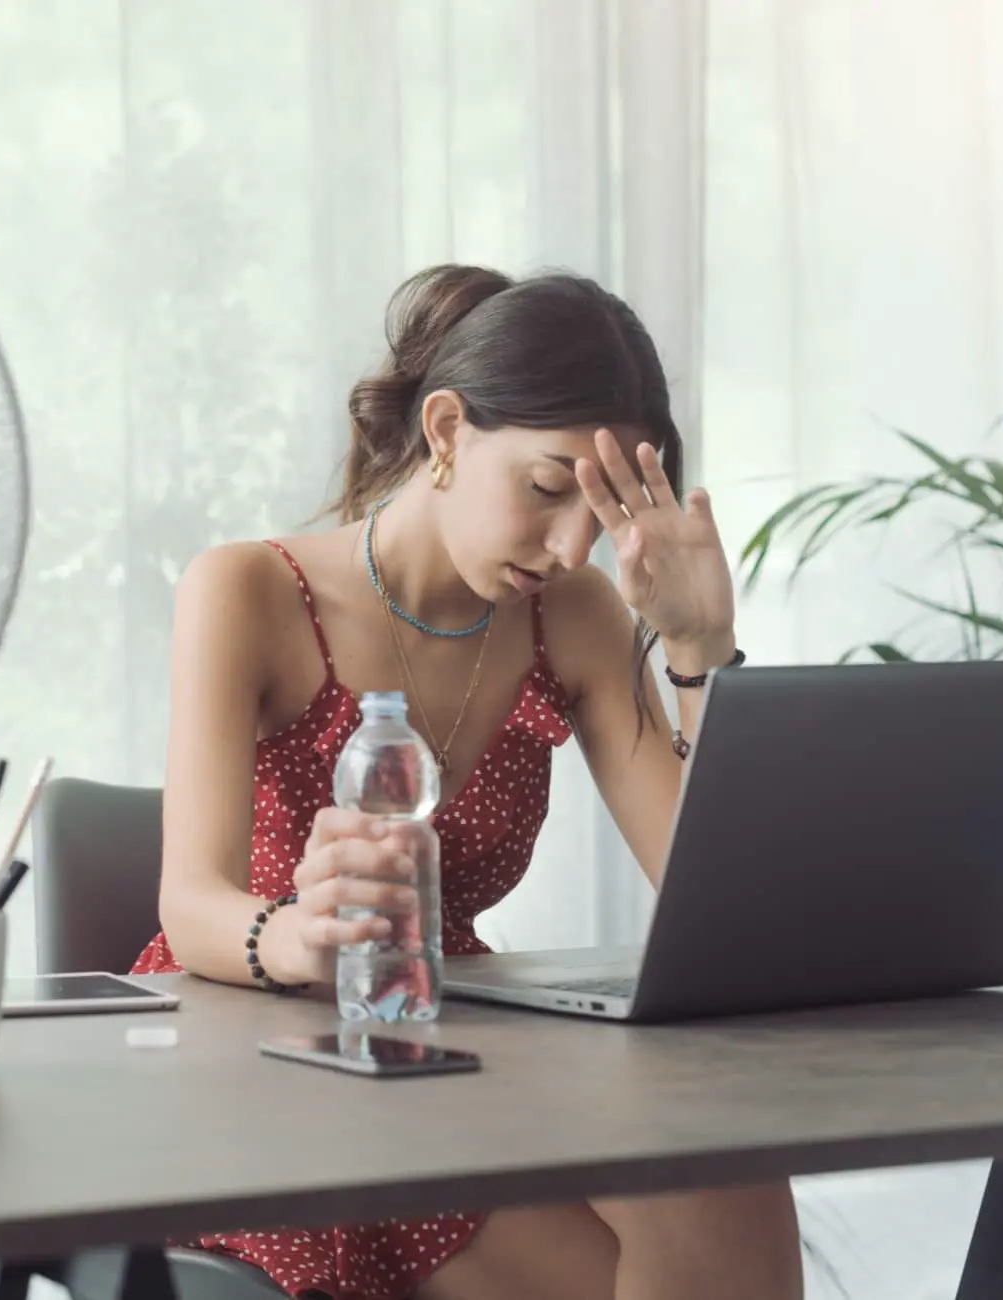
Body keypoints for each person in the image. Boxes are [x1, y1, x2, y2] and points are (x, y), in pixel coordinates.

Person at [131, 265, 802, 1300]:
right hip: (265, 1044)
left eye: (599, 511)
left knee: (720, 1168)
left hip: (448, 1034)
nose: (571, 546)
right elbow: (190, 903)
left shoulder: (571, 615)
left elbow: (714, 901)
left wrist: (699, 643)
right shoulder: (250, 589)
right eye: (547, 489)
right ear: (445, 430)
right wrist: (306, 936)